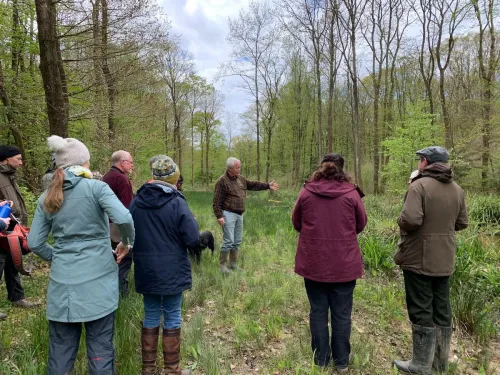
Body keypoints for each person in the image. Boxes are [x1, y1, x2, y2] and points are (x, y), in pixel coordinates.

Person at [27, 135, 135, 375]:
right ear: (84, 162)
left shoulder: (46, 196)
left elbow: (34, 242)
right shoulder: (97, 188)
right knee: (100, 353)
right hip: (99, 286)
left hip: (62, 289)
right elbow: (125, 218)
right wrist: (126, 243)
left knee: (60, 355)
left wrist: (56, 256)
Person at [393, 146, 468, 375]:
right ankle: (439, 364)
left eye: (419, 160)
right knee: (442, 308)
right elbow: (462, 223)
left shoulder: (419, 186)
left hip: (418, 258)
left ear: (425, 162)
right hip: (445, 257)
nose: (418, 164)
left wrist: (400, 218)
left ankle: (420, 365)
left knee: (420, 307)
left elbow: (411, 219)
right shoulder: (457, 189)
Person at [292, 153, 367, 373]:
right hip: (344, 264)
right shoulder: (352, 194)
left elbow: (297, 222)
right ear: (342, 170)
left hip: (314, 263)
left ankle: (321, 360)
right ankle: (342, 362)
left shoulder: (307, 192)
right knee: (342, 314)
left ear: (321, 168)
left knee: (318, 311)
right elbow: (361, 224)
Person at [130, 155, 198, 375]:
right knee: (172, 314)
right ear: (174, 176)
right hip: (172, 269)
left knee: (150, 313)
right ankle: (172, 369)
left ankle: (148, 370)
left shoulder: (137, 201)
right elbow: (192, 238)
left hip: (145, 268)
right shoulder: (177, 202)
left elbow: (127, 233)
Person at [212, 157, 279, 273]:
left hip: (239, 215)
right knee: (229, 241)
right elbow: (216, 201)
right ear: (230, 169)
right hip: (228, 214)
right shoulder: (222, 181)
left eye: (240, 167)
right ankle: (222, 266)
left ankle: (233, 264)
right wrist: (219, 216)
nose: (239, 169)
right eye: (237, 168)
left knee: (237, 241)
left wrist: (267, 185)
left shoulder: (241, 179)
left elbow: (253, 185)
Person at [0, 145, 37, 319]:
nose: (21, 163)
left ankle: (17, 297)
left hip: (13, 228)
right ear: (6, 160)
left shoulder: (9, 176)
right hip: (2, 228)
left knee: (13, 262)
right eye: (18, 159)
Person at [102, 150, 135, 296]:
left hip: (105, 225)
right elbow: (127, 208)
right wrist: (127, 235)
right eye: (130, 162)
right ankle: (122, 294)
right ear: (122, 162)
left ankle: (108, 291)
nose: (132, 165)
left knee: (111, 260)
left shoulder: (106, 177)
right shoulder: (122, 179)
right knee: (124, 258)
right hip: (119, 227)